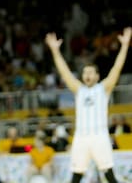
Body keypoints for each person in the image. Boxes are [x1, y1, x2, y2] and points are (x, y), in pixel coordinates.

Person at [45, 27, 132, 183]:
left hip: (100, 135)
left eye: (91, 72)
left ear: (97, 76)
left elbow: (117, 68)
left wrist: (125, 45)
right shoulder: (79, 89)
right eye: (85, 73)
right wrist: (55, 51)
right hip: (81, 136)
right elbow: (64, 71)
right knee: (76, 175)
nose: (87, 75)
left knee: (108, 174)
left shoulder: (103, 88)